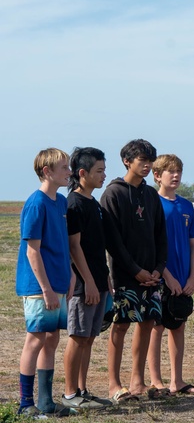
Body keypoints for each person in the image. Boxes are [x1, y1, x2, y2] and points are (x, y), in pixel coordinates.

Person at [101, 139, 168, 402]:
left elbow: (161, 234)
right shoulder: (113, 194)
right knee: (121, 325)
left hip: (152, 276)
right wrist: (135, 270)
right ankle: (114, 385)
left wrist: (158, 268)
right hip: (126, 275)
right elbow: (113, 242)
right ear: (128, 161)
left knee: (148, 323)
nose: (147, 165)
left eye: (150, 160)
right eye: (142, 160)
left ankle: (137, 382)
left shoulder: (151, 194)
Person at [16, 149, 74, 418]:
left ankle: (46, 401)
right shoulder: (36, 203)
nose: (69, 172)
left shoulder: (60, 202)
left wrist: (71, 275)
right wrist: (46, 289)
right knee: (35, 339)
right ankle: (25, 404)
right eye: (64, 167)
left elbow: (62, 244)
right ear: (47, 171)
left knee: (52, 338)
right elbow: (32, 251)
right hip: (40, 287)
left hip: (59, 283)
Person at [147, 154, 194, 395]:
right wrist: (166, 275)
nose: (176, 175)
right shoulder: (152, 204)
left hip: (183, 278)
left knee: (177, 326)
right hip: (159, 277)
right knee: (155, 327)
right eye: (170, 171)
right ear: (157, 176)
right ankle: (155, 380)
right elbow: (150, 246)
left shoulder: (185, 205)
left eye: (179, 171)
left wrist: (192, 277)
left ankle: (176, 380)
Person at [62, 147, 112, 409]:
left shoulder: (93, 203)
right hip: (84, 285)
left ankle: (82, 389)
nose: (104, 175)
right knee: (77, 336)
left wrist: (105, 279)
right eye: (99, 171)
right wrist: (89, 281)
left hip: (99, 280)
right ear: (82, 173)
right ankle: (70, 395)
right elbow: (74, 247)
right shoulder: (74, 203)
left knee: (90, 337)